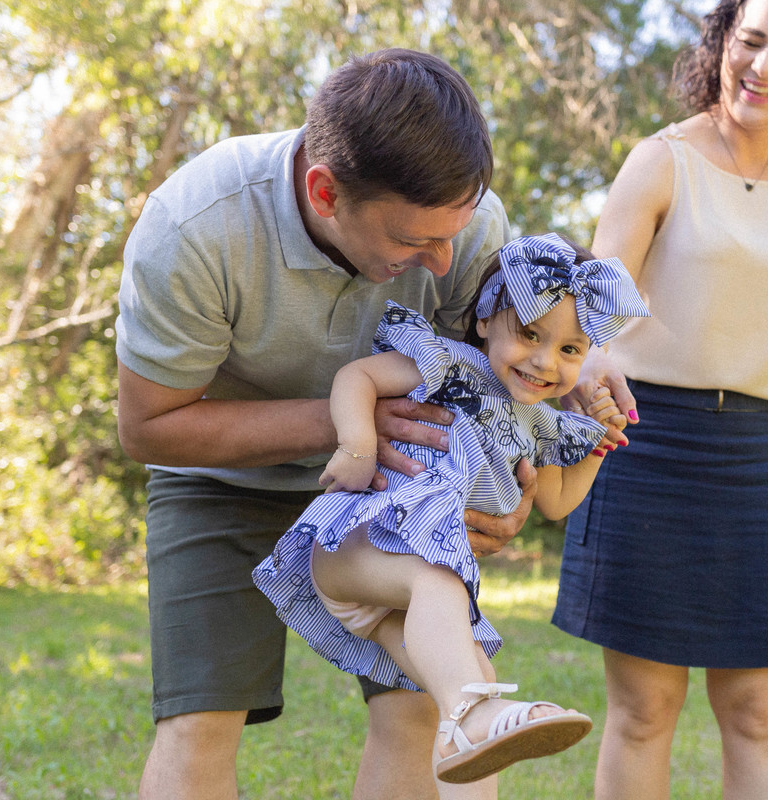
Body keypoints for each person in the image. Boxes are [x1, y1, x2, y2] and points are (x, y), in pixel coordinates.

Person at [116, 49, 527, 800]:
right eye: (410, 242)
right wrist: (347, 423)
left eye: (454, 232)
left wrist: (510, 490)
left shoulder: (466, 226)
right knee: (201, 721)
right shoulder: (196, 228)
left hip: (395, 491)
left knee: (421, 701)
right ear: (324, 191)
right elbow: (148, 428)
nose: (442, 262)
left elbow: (499, 385)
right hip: (220, 482)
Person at [549, 1, 768, 798]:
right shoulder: (660, 162)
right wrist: (590, 364)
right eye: (750, 42)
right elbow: (595, 308)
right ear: (721, 44)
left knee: (757, 710)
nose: (764, 66)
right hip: (645, 447)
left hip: (763, 462)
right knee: (644, 709)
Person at [253, 233, 650, 791]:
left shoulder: (538, 426)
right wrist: (357, 446)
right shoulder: (453, 367)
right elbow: (359, 378)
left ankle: (470, 731)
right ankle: (474, 717)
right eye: (530, 334)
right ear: (486, 319)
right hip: (355, 545)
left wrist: (601, 442)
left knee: (473, 684)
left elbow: (557, 504)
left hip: (391, 596)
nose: (544, 361)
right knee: (441, 590)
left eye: (569, 350)